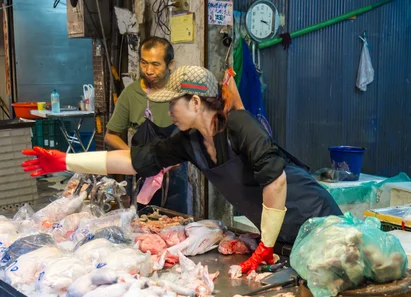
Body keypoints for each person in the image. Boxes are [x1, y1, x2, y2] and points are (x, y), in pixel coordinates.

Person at [22, 66, 342, 273]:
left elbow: (276, 181)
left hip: (313, 215)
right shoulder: (189, 141)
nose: (167, 111)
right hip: (280, 231)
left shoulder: (240, 125)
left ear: (196, 102)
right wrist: (64, 160)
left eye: (172, 103)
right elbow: (134, 161)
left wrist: (266, 245)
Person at [105, 36, 189, 214]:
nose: (148, 70)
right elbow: (110, 136)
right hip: (141, 178)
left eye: (155, 64)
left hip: (174, 180)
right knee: (142, 230)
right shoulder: (131, 94)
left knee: (174, 227)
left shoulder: (183, 92)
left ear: (170, 64)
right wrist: (136, 157)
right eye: (144, 63)